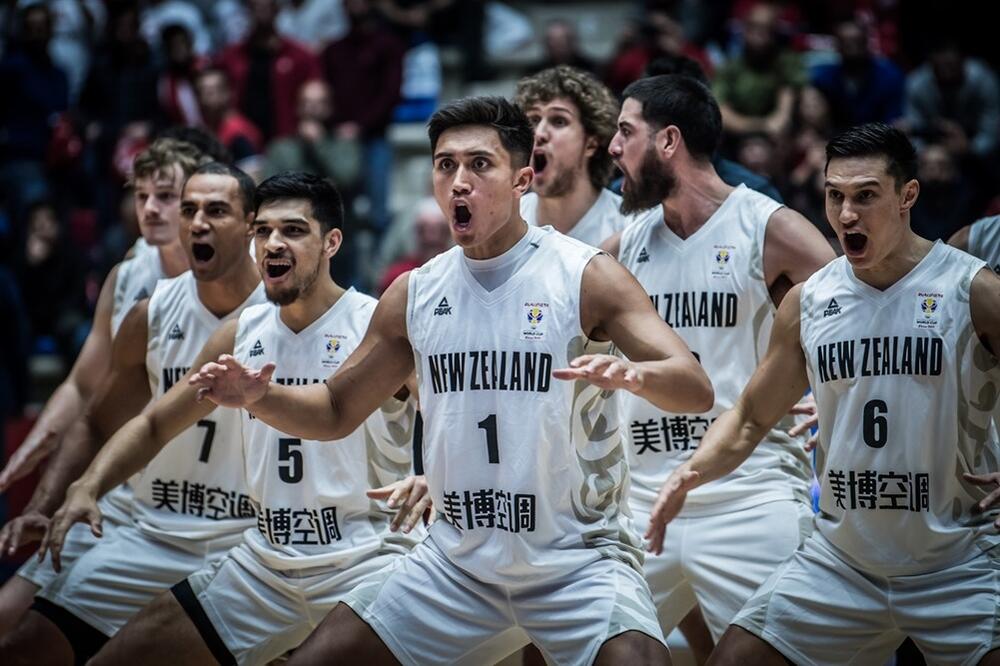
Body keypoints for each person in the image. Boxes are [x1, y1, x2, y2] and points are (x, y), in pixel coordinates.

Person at [189, 96, 714, 665]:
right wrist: (261, 396)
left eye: (479, 165)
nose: (458, 182)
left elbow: (694, 384)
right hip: (454, 567)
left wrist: (636, 374)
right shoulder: (413, 293)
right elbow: (335, 410)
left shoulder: (585, 275)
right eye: (445, 166)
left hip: (577, 562)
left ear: (523, 179)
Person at [647, 122, 1000, 665]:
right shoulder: (811, 301)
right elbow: (747, 416)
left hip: (960, 563)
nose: (846, 215)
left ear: (908, 195)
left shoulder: (972, 290)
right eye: (835, 196)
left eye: (865, 196)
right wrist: (687, 474)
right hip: (843, 563)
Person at [42, 172, 426, 665]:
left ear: (332, 242)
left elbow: (449, 412)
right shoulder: (240, 333)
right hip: (265, 564)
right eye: (263, 231)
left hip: (367, 560)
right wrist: (88, 484)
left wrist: (433, 474)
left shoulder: (375, 326)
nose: (272, 243)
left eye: (292, 230)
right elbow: (156, 423)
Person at [601, 74, 835, 652]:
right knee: (562, 649)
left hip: (748, 493)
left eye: (626, 131)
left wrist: (831, 397)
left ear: (669, 141)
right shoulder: (624, 246)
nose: (612, 147)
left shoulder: (767, 227)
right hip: (641, 500)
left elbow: (860, 318)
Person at [0, 163, 265, 665]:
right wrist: (48, 501)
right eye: (189, 211)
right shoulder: (152, 312)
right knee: (23, 649)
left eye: (216, 211)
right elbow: (97, 421)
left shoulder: (281, 316)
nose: (198, 223)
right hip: (155, 531)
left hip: (242, 541)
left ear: (251, 224)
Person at [0, 139, 204, 636]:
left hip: (202, 503)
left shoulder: (241, 282)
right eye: (141, 196)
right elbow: (83, 385)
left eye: (166, 196)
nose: (150, 208)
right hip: (123, 491)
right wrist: (37, 444)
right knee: (11, 618)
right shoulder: (129, 274)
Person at [514, 65, 630, 247]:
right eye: (533, 120)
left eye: (558, 121)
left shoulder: (627, 227)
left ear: (591, 143)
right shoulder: (505, 221)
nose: (539, 133)